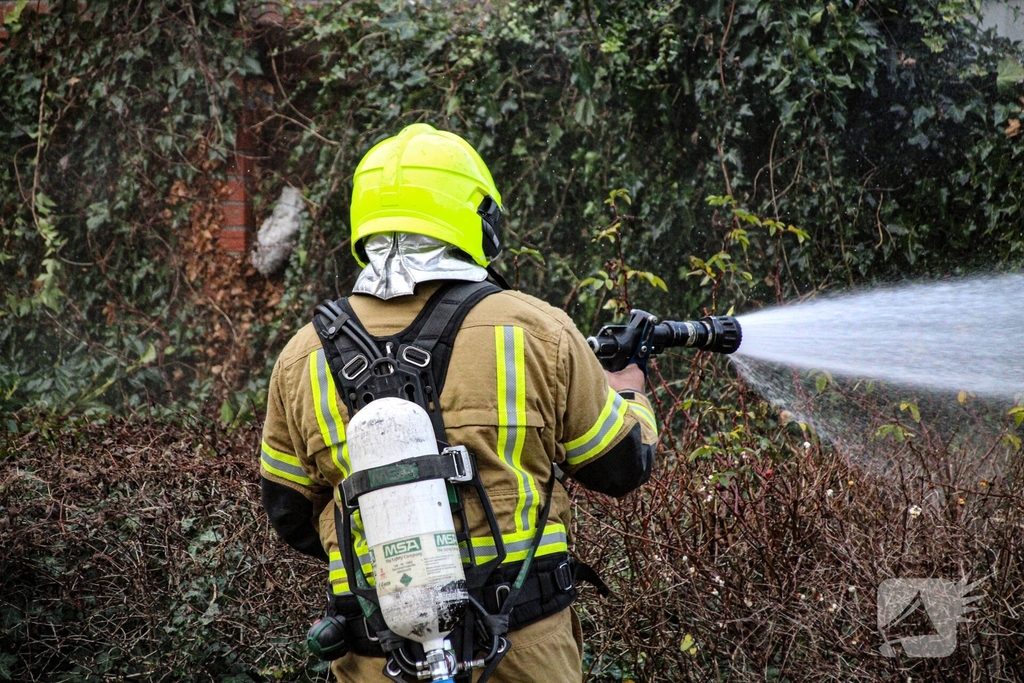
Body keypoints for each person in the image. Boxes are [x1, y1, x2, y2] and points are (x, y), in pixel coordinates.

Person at [259, 123, 658, 683]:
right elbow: (620, 466)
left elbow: (289, 513)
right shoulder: (535, 330)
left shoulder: (301, 357)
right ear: (476, 220)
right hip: (522, 652)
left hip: (377, 658)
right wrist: (630, 388)